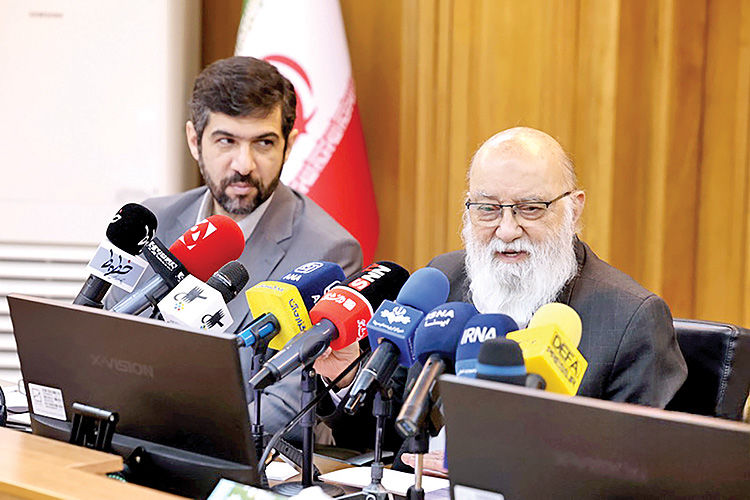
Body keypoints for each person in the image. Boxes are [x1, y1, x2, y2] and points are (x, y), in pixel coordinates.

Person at [400, 126, 687, 474]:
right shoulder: (444, 279)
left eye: (531, 208)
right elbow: (387, 429)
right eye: (488, 209)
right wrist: (346, 377)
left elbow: (640, 473)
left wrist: (496, 468)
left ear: (574, 210)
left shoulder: (630, 319)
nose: (507, 230)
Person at [105, 56, 363, 438]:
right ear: (195, 141)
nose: (244, 165)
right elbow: (103, 344)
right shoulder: (150, 222)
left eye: (264, 143)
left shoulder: (328, 253)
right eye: (226, 141)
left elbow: (288, 406)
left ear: (289, 146)